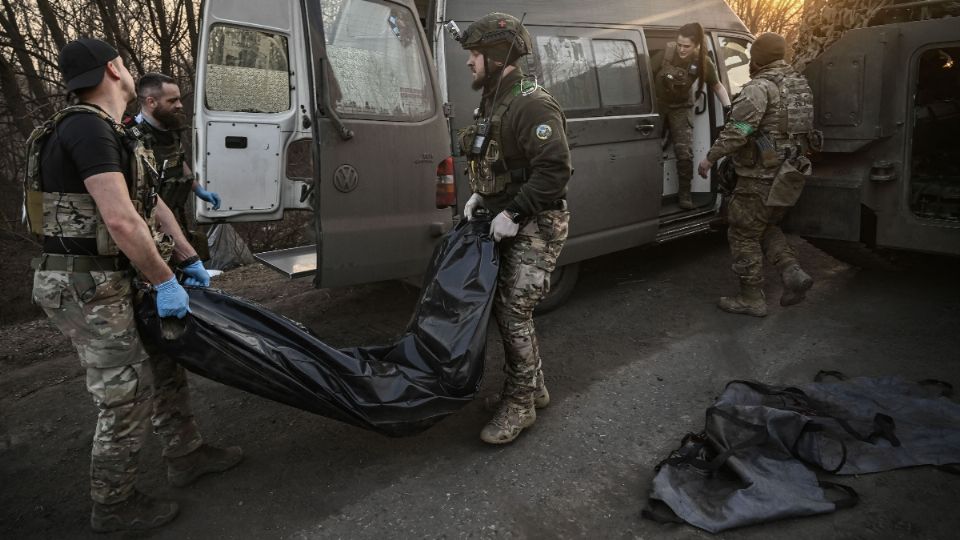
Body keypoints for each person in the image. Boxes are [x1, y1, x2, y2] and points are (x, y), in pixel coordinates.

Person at [25, 38, 241, 532]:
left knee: (167, 359)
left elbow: (149, 202)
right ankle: (114, 506)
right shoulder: (86, 129)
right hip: (87, 286)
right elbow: (121, 221)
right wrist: (164, 280)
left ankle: (185, 454)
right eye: (122, 64)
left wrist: (187, 259)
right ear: (113, 70)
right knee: (124, 392)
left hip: (116, 276)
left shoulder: (109, 130)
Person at [456, 13, 572, 444]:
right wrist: (482, 197)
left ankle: (520, 402)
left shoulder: (531, 102)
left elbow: (554, 171)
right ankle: (533, 386)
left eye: (474, 54)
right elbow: (499, 160)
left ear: (496, 54)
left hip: (537, 222)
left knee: (511, 310)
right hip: (507, 215)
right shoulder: (494, 98)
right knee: (505, 309)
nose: (469, 62)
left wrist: (515, 214)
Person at [697, 33, 818, 317]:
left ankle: (751, 298)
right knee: (764, 226)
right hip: (789, 174)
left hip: (759, 177)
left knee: (742, 233)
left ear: (759, 58)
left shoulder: (759, 88)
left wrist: (710, 158)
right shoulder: (798, 85)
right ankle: (792, 272)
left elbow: (738, 131)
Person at [130, 72, 220, 259]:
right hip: (148, 226)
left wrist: (199, 189)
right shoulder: (131, 137)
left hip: (174, 216)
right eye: (173, 101)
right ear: (151, 102)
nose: (179, 105)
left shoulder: (170, 128)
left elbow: (178, 160)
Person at [652, 22, 731, 209]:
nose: (681, 49)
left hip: (681, 107)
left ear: (696, 46)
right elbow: (643, 73)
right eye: (679, 44)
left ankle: (685, 195)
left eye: (686, 46)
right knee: (651, 148)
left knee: (684, 152)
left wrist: (728, 107)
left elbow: (717, 86)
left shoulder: (702, 62)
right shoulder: (667, 53)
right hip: (658, 104)